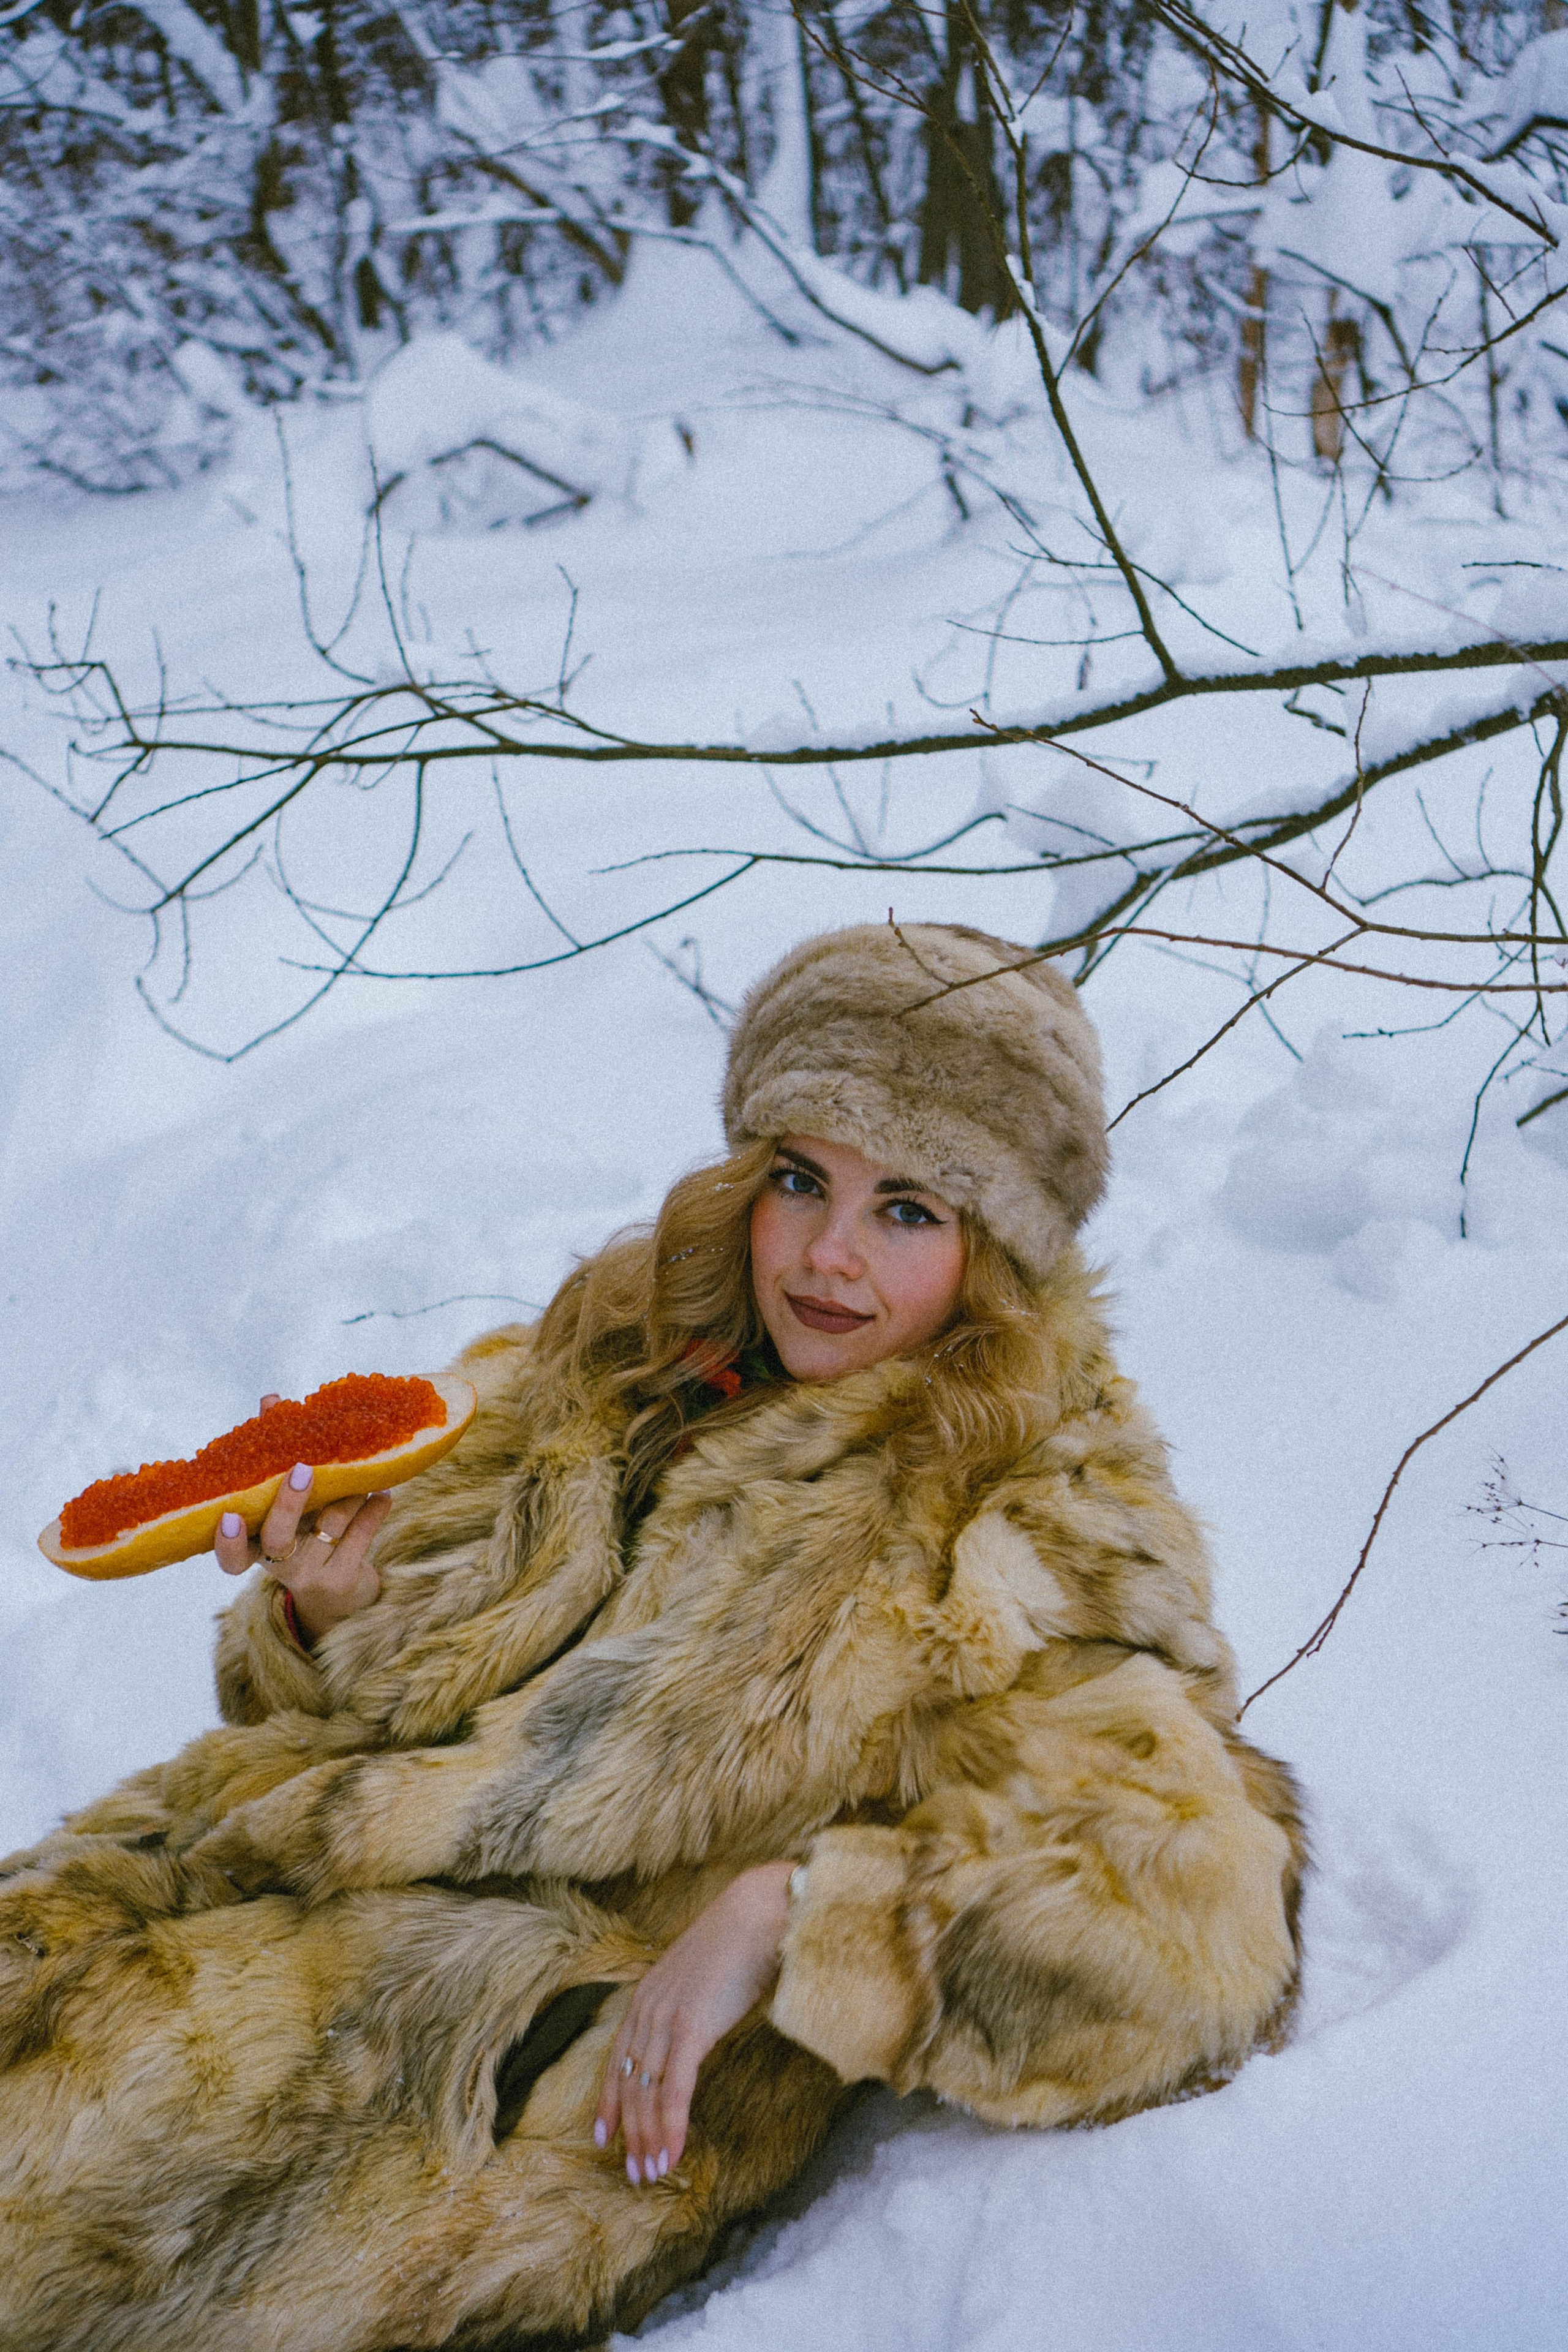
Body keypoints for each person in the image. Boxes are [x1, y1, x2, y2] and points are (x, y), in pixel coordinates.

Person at [0, 922, 1305, 2352]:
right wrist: (333, 1612)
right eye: (800, 1181)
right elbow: (370, 1713)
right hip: (224, 1889)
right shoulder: (609, 1359)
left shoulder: (1037, 1508)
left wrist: (796, 1914)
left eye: (907, 1209)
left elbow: (1193, 1916)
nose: (826, 1253)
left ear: (996, 1248)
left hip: (455, 2067)